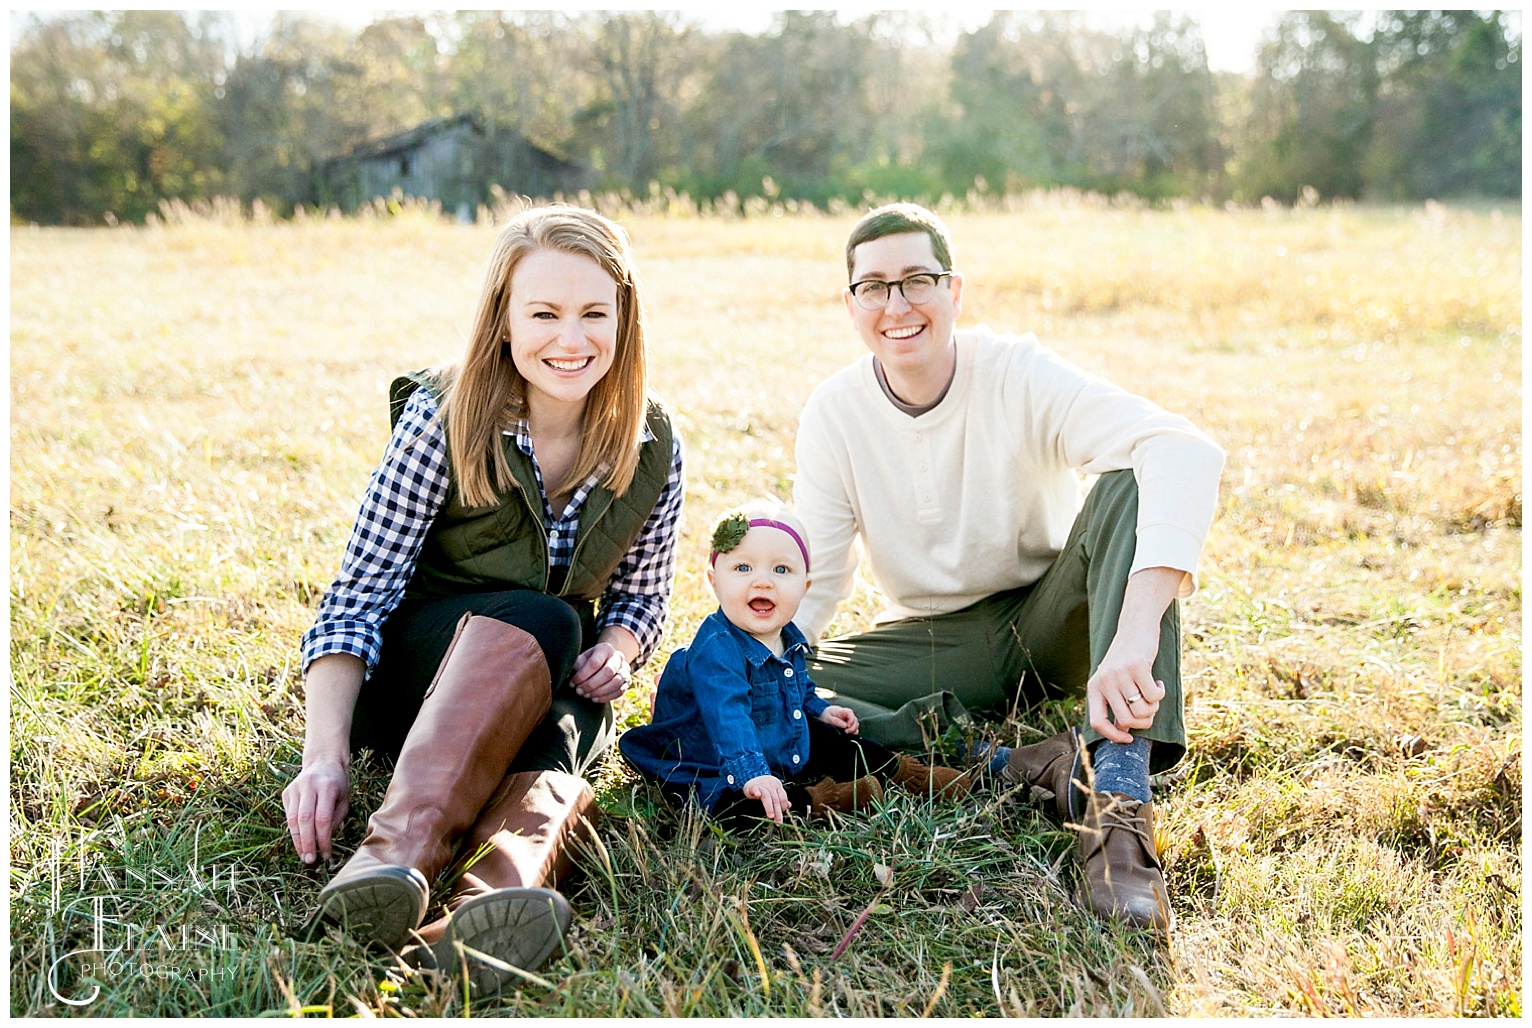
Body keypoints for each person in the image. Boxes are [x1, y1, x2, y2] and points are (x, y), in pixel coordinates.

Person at [281, 204, 684, 992]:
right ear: (503, 320)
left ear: (623, 318)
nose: (571, 339)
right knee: (548, 616)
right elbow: (357, 598)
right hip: (411, 683)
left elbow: (642, 598)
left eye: (593, 313)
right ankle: (392, 858)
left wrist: (620, 649)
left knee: (582, 705)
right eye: (543, 313)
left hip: (539, 687)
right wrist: (323, 756)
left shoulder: (651, 444)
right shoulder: (445, 418)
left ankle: (498, 892)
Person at [792, 202, 1225, 934]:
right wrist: (764, 665)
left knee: (1128, 480)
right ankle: (1020, 767)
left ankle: (1118, 821)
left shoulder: (1016, 371)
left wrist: (1133, 633)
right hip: (938, 639)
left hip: (1051, 618)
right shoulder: (833, 413)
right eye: (874, 286)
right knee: (781, 683)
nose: (897, 304)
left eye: (917, 280)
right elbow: (823, 576)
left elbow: (1182, 449)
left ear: (954, 291)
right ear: (851, 304)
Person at [619, 501, 971, 830]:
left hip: (772, 733)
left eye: (781, 569)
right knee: (732, 805)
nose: (762, 581)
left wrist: (820, 709)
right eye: (742, 568)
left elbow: (796, 689)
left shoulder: (787, 636)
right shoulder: (716, 651)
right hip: (711, 755)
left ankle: (906, 774)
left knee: (835, 741)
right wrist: (751, 773)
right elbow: (728, 716)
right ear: (714, 581)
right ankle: (824, 800)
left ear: (804, 587)